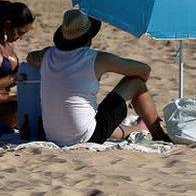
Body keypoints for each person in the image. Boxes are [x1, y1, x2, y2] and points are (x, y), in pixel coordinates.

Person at [26, 9, 171, 146]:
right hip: (86, 136)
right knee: (136, 83)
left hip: (53, 135)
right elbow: (144, 70)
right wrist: (136, 95)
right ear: (89, 37)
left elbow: (30, 57)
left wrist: (47, 52)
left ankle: (138, 128)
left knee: (93, 118)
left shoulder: (47, 56)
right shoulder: (96, 59)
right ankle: (158, 134)